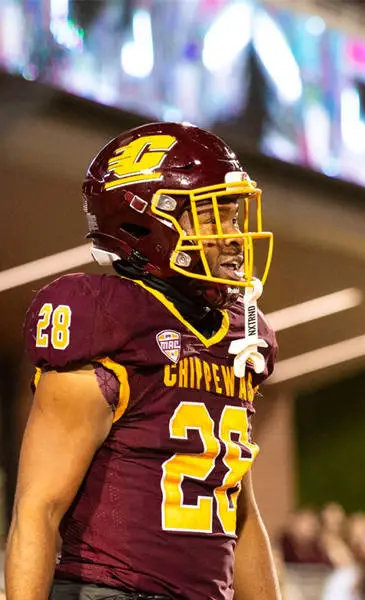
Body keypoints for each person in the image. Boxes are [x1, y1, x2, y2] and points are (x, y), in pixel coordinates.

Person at [5, 122, 280, 600]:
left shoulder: (236, 333)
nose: (235, 236)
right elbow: (38, 508)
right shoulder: (105, 319)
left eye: (234, 217)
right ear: (148, 222)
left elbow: (240, 512)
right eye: (214, 217)